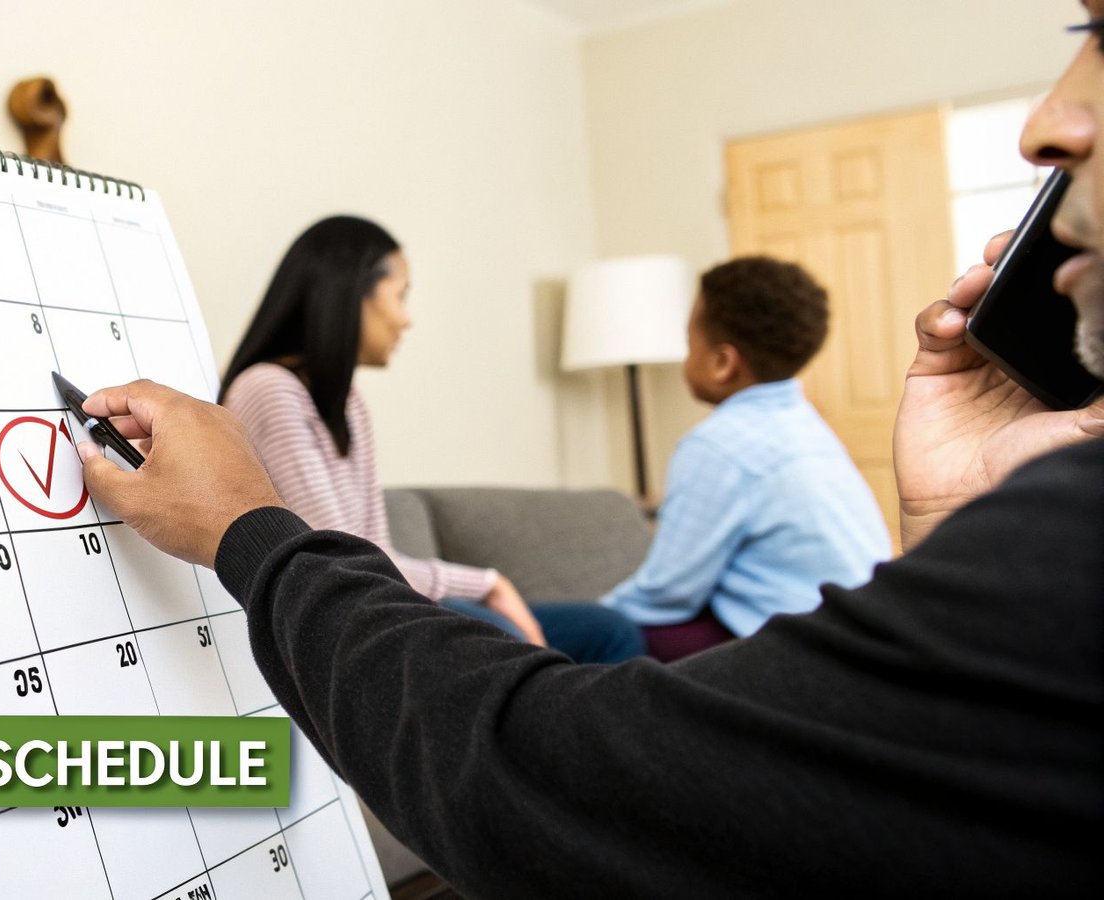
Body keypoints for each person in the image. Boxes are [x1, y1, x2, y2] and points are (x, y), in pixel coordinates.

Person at [70, 4, 1104, 892]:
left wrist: (262, 533)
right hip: (361, 600)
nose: (1042, 126)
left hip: (366, 609)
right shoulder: (272, 390)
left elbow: (539, 774)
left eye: (1097, 33)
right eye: (401, 294)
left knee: (599, 633)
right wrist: (963, 537)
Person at [219, 215, 644, 662]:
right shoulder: (270, 389)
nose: (406, 320)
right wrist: (488, 584)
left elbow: (375, 550)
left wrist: (486, 586)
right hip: (340, 614)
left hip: (377, 597)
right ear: (352, 294)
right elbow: (340, 559)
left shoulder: (347, 402)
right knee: (500, 636)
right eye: (400, 296)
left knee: (610, 631)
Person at [598, 256, 891, 661]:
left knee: (611, 635)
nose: (686, 358)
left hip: (804, 651)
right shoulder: (803, 424)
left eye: (689, 344)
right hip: (862, 632)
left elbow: (670, 592)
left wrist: (593, 618)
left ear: (723, 363)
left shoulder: (718, 444)